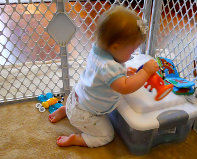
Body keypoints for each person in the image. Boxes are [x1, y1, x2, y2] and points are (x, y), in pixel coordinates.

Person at [48, 6, 159, 148]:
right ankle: (76, 139)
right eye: (132, 50)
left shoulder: (97, 50)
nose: (132, 54)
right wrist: (145, 72)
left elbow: (101, 76)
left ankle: (66, 110)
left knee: (76, 107)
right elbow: (125, 87)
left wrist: (123, 73)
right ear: (115, 47)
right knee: (106, 135)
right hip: (87, 114)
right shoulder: (109, 67)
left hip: (76, 97)